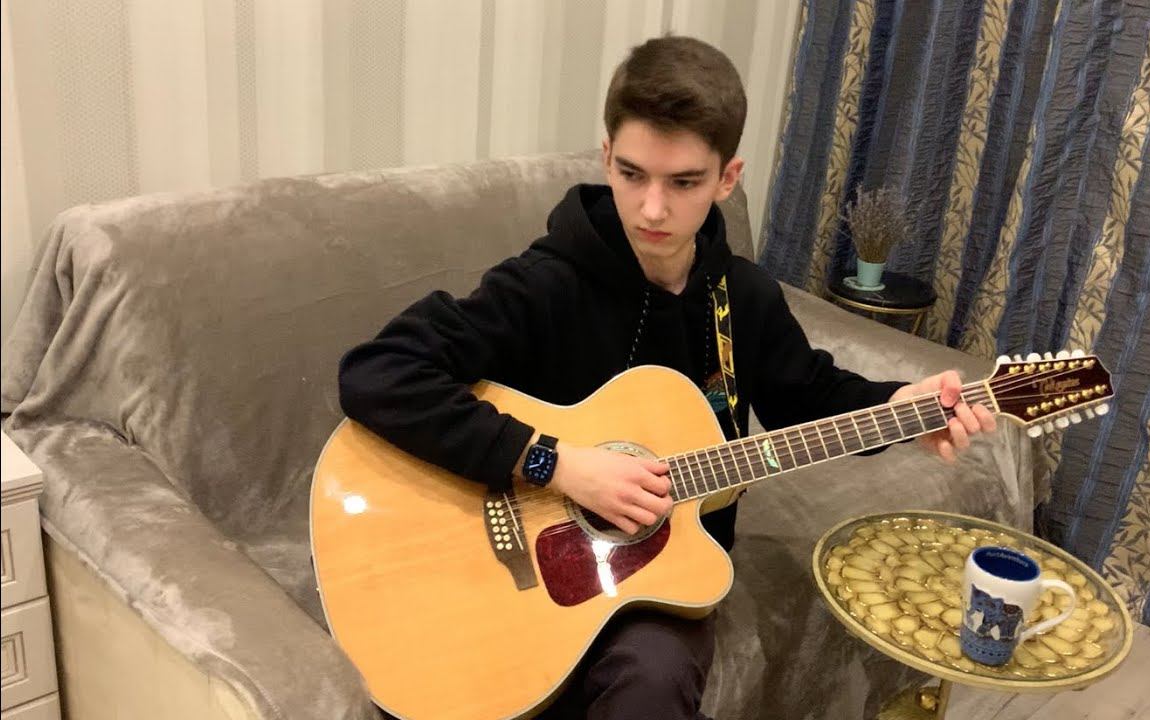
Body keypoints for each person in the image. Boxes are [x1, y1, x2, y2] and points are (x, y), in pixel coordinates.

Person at [340, 35, 996, 720]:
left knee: (651, 682)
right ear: (606, 158)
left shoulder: (743, 297)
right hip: (519, 556)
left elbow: (809, 394)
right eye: (632, 174)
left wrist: (902, 405)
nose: (652, 209)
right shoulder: (544, 285)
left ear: (727, 178)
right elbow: (378, 373)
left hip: (660, 572)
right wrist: (555, 463)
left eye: (683, 183)